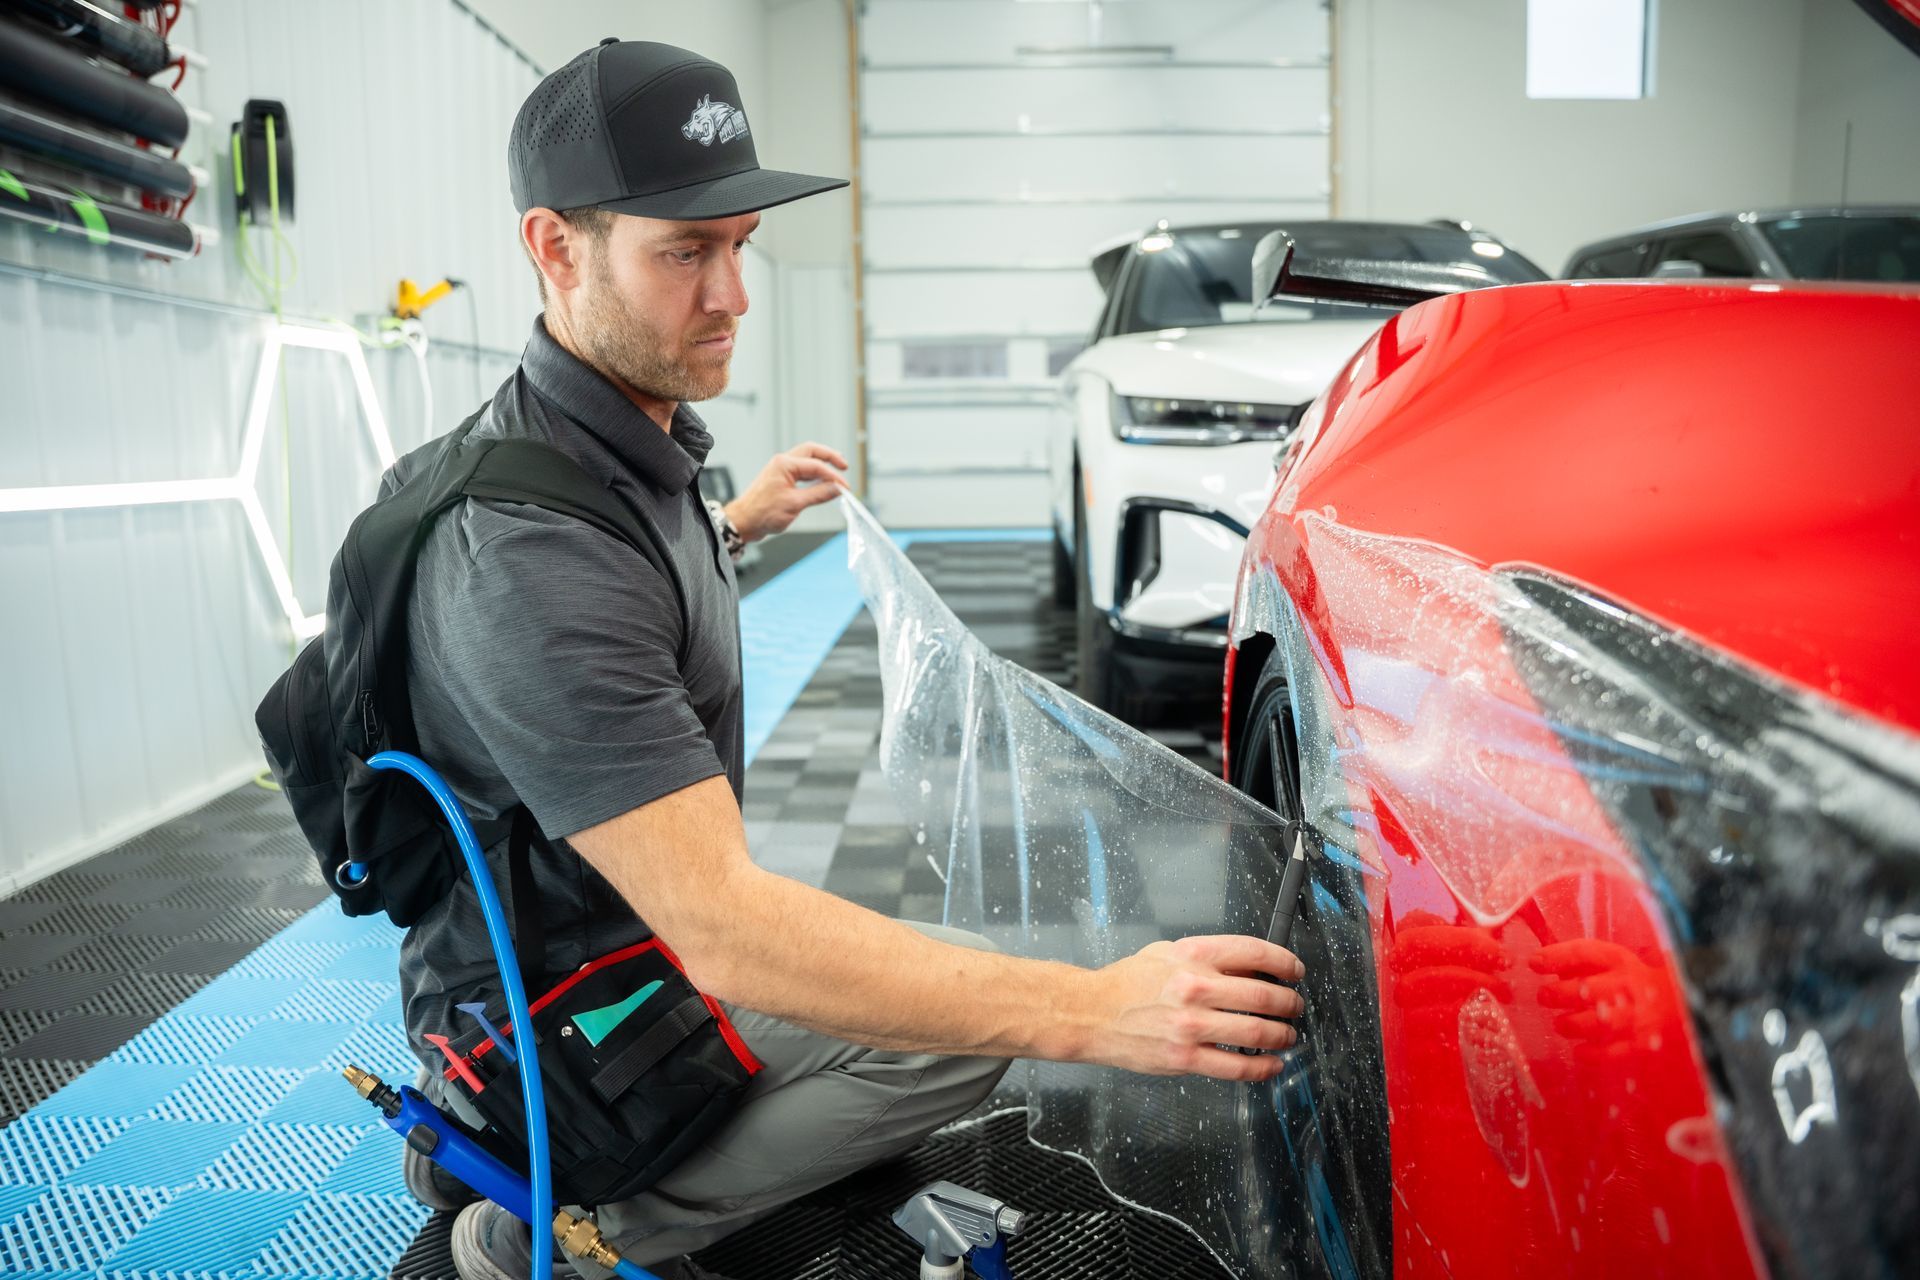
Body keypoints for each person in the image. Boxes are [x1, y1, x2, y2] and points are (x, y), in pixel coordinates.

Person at [394, 39, 1307, 1280]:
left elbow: (610, 611)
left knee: (936, 985)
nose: (732, 295)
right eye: (683, 251)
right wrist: (1092, 1008)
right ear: (554, 247)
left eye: (739, 245)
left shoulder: (607, 456)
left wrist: (735, 520)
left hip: (617, 942)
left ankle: (559, 1149)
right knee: (972, 1014)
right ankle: (551, 1230)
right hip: (558, 1008)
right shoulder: (524, 553)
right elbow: (724, 926)